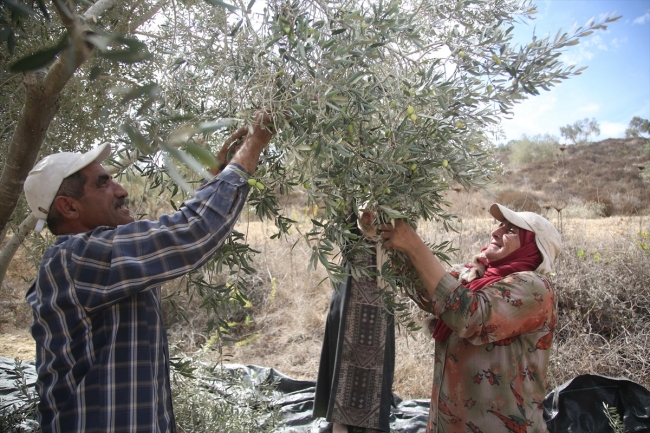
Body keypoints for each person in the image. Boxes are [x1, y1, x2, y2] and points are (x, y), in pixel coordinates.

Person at [22, 112, 274, 433]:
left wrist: (218, 179)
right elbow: (191, 232)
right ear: (69, 207)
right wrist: (253, 145)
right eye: (103, 182)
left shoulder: (95, 256)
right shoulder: (75, 257)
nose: (121, 190)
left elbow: (178, 235)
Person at [380, 203, 561, 433]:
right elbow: (430, 292)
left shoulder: (535, 288)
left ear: (533, 247)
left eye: (511, 231)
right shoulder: (476, 276)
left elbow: (468, 315)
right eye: (500, 225)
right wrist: (388, 238)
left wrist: (414, 245)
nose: (497, 232)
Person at [313, 208, 395, 433]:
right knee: (344, 354)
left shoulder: (397, 196)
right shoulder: (350, 214)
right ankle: (340, 421)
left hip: (381, 286)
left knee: (377, 356)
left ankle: (372, 423)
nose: (370, 217)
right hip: (350, 287)